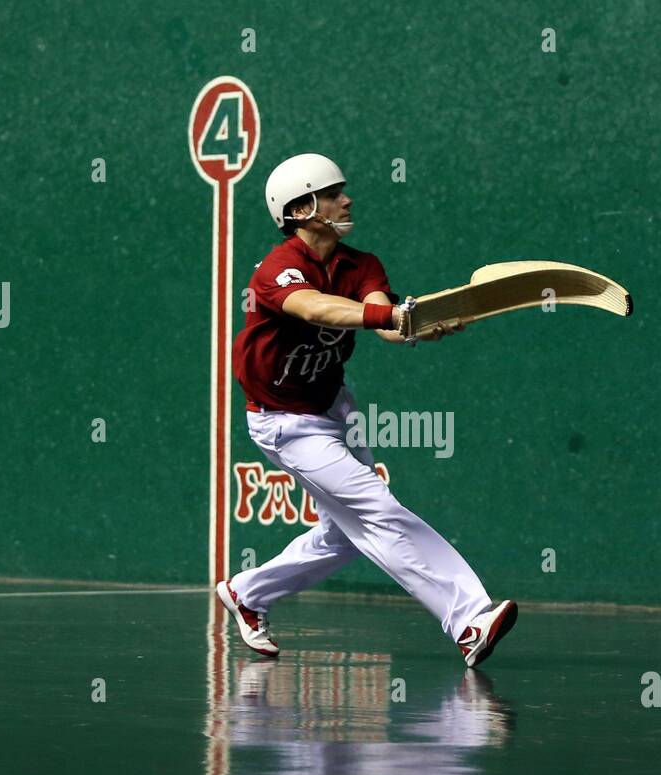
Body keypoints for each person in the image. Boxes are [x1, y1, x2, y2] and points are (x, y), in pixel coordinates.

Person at [215, 153, 517, 668]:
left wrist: (419, 324)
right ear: (302, 208)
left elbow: (380, 318)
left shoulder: (361, 264)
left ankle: (247, 593)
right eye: (333, 193)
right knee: (377, 508)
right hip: (283, 422)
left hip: (334, 404)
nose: (346, 199)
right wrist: (393, 313)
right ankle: (468, 618)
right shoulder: (277, 269)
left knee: (346, 533)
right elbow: (315, 307)